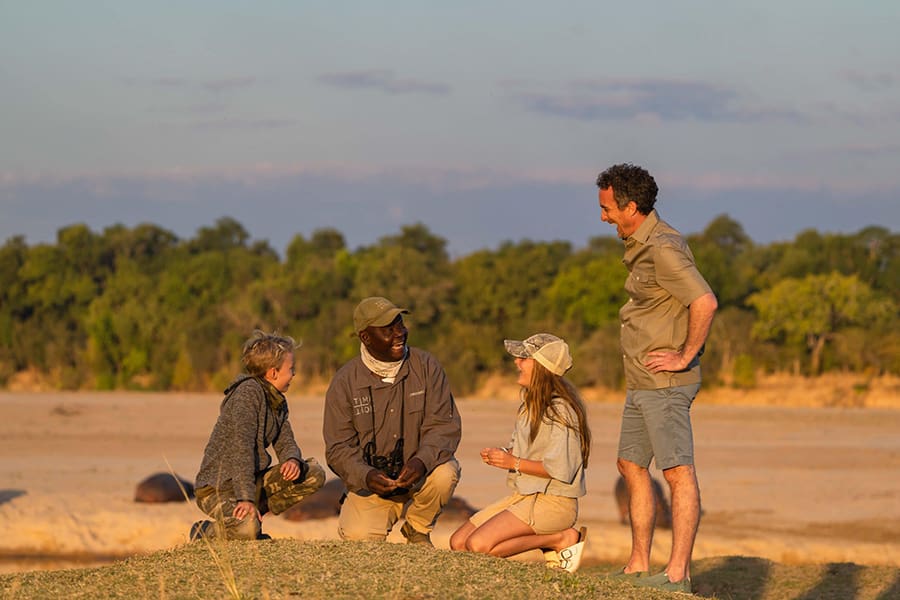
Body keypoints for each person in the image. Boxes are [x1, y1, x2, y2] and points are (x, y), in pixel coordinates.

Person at [596, 163, 718, 594]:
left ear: (631, 207)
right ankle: (638, 564)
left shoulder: (664, 247)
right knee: (630, 464)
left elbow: (704, 301)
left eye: (608, 208)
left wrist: (685, 355)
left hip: (665, 385)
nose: (603, 216)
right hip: (641, 381)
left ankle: (677, 575)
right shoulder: (637, 243)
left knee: (677, 473)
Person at [323, 296, 462, 546]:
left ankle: (417, 528)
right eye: (389, 329)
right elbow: (338, 449)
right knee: (358, 540)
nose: (400, 333)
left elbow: (444, 427)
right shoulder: (344, 382)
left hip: (420, 475)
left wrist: (421, 462)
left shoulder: (427, 367)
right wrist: (366, 476)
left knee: (446, 472)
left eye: (401, 325)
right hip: (371, 485)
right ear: (365, 337)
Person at [449, 333, 591, 573]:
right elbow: (525, 452)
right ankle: (555, 540)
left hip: (555, 504)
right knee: (458, 543)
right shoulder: (529, 405)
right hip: (525, 496)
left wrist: (512, 462)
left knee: (478, 545)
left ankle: (560, 539)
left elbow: (559, 469)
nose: (517, 362)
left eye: (525, 358)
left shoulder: (562, 411)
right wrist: (503, 455)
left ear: (542, 367)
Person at [191, 330, 325, 541]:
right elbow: (241, 449)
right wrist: (245, 498)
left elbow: (285, 438)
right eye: (291, 369)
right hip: (217, 488)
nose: (294, 374)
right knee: (247, 529)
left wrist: (292, 460)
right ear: (273, 373)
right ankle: (204, 532)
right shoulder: (247, 395)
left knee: (313, 473)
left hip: (250, 481)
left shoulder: (276, 399)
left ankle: (254, 515)